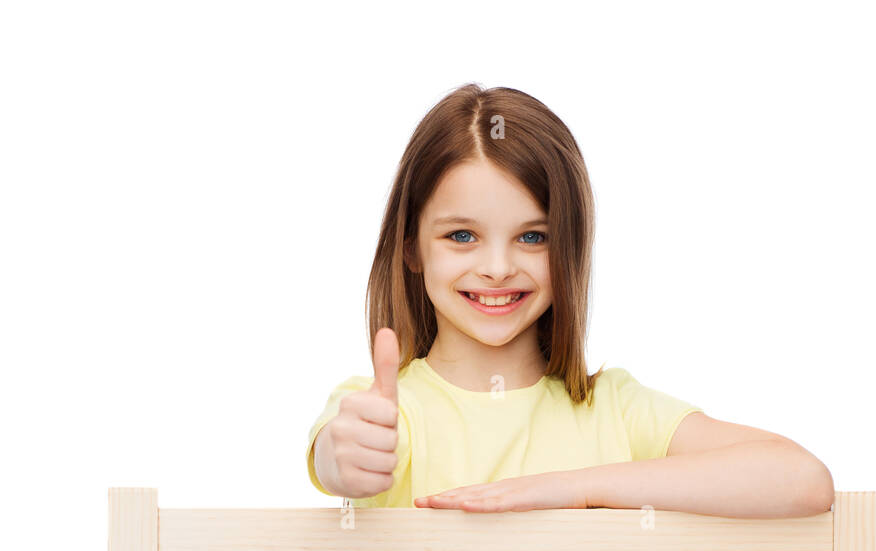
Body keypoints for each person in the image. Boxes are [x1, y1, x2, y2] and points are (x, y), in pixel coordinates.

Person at [307, 84, 833, 517]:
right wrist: (343, 458)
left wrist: (573, 488)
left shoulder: (618, 411)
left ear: (570, 252)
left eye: (533, 237)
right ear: (412, 250)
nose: (496, 267)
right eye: (461, 236)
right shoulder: (383, 413)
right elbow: (339, 457)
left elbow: (801, 479)